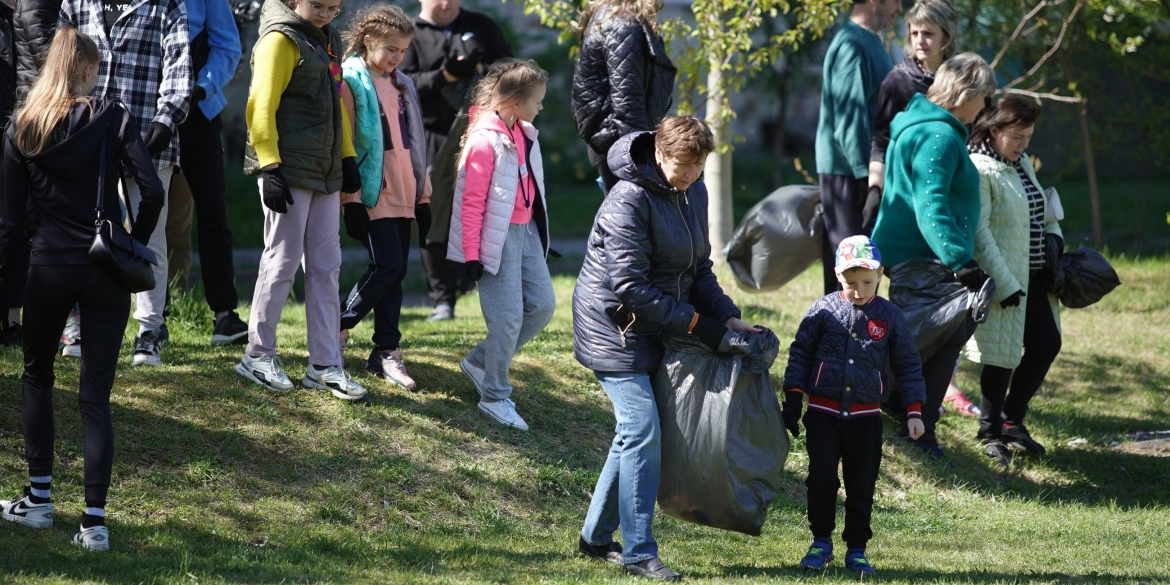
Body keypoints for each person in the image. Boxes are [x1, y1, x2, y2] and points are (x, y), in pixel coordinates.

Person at [0, 28, 165, 551]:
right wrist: (131, 243)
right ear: (89, 69)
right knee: (96, 397)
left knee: (38, 378)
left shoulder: (22, 127)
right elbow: (153, 189)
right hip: (104, 269)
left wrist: (6, 289)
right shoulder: (112, 115)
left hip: (46, 265)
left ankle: (39, 501)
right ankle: (94, 523)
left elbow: (7, 224)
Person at [572, 115, 757, 581]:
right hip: (614, 326)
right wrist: (699, 324)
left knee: (634, 435)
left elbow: (699, 270)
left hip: (659, 324)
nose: (690, 175)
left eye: (698, 167)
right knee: (641, 429)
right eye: (682, 165)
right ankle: (637, 552)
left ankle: (595, 539)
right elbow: (630, 286)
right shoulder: (627, 199)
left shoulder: (693, 191)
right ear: (658, 153)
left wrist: (726, 314)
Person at [235, 0, 367, 401]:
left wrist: (347, 156)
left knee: (327, 265)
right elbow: (260, 105)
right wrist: (270, 166)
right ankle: (257, 355)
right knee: (282, 262)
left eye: (334, 7)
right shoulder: (280, 39)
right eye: (317, 5)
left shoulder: (325, 41)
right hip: (287, 171)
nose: (327, 14)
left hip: (324, 173)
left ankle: (325, 364)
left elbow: (336, 110)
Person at [870, 52, 997, 461]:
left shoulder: (921, 124)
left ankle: (899, 407)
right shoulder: (938, 136)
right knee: (941, 341)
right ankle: (919, 428)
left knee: (922, 339)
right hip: (926, 256)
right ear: (966, 93)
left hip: (914, 254)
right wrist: (961, 260)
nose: (987, 108)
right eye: (985, 97)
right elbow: (931, 205)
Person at [781, 235, 926, 576]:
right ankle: (820, 542)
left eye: (867, 282)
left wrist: (915, 411)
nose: (858, 290)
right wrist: (793, 399)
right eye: (850, 283)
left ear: (880, 274)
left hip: (865, 418)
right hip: (823, 414)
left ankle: (857, 549)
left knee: (861, 484)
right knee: (821, 479)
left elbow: (907, 363)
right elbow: (800, 353)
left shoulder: (890, 315)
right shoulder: (822, 310)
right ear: (836, 275)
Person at [60, 0, 192, 367]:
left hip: (149, 134)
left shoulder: (167, 5)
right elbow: (60, 59)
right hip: (86, 131)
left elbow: (180, 68)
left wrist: (166, 120)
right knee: (84, 226)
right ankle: (78, 319)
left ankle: (149, 331)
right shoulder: (76, 3)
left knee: (152, 236)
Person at [862, 0, 977, 418]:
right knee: (916, 307)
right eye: (913, 33)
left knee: (949, 311)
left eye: (928, 33)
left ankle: (933, 387)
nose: (919, 42)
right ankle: (899, 391)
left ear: (947, 36)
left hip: (955, 203)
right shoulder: (900, 79)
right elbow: (883, 138)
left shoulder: (963, 76)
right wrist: (876, 191)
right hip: (909, 207)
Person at [448, 58, 555, 431]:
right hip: (496, 240)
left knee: (542, 307)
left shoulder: (524, 132)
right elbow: (471, 202)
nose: (541, 107)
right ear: (513, 100)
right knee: (507, 319)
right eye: (537, 100)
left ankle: (480, 360)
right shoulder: (484, 139)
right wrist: (471, 254)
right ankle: (494, 395)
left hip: (525, 235)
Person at [965, 97, 1064, 466]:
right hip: (1005, 278)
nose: (1025, 144)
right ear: (994, 131)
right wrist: (1003, 284)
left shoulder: (1020, 162)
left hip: (1035, 274)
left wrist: (1055, 236)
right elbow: (980, 232)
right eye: (1017, 136)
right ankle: (990, 431)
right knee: (1001, 356)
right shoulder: (980, 168)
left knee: (1046, 343)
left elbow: (1041, 206)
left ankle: (1011, 419)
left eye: (1029, 136)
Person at [399, 0, 512, 323]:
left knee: (484, 208)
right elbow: (402, 84)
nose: (446, 4)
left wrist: (479, 72)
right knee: (433, 214)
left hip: (481, 132)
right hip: (430, 135)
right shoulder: (410, 32)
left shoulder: (482, 25)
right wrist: (445, 75)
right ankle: (442, 300)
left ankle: (474, 288)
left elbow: (509, 70)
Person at [337, 4, 431, 391]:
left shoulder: (401, 84)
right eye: (391, 48)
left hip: (406, 191)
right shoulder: (349, 80)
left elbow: (416, 143)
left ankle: (385, 352)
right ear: (367, 39)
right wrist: (351, 199)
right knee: (387, 266)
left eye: (403, 51)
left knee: (397, 275)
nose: (397, 57)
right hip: (374, 192)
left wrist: (423, 197)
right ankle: (338, 326)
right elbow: (347, 145)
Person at [165, 0, 248, 346]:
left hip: (200, 110)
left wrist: (199, 89)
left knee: (213, 212)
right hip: (149, 108)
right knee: (148, 214)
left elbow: (227, 46)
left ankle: (225, 316)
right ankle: (153, 319)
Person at [814, 0, 901, 295]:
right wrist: (867, 178)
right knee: (854, 268)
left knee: (858, 266)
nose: (899, 8)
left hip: (862, 171)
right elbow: (849, 120)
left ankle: (844, 336)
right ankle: (841, 336)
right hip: (850, 172)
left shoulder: (868, 40)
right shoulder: (852, 42)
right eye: (896, 0)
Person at [571, 0, 676, 194]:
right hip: (622, 146)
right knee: (629, 222)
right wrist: (642, 157)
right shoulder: (623, 24)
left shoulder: (620, 18)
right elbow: (627, 100)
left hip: (618, 143)